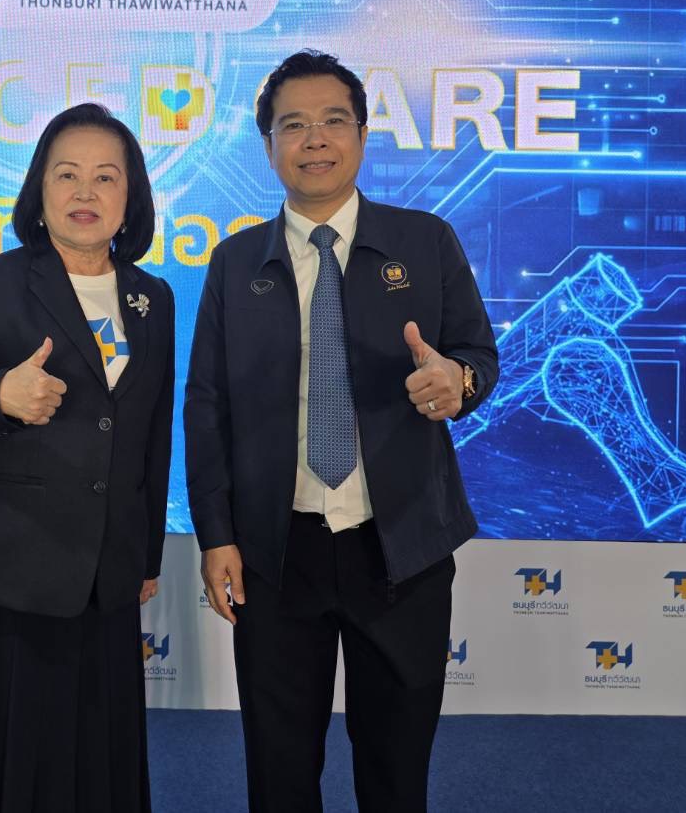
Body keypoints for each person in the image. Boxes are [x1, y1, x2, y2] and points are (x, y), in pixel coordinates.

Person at [184, 49, 499, 812]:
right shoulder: (235, 263)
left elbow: (478, 357)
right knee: (279, 765)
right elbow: (206, 405)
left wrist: (456, 382)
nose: (314, 139)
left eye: (332, 121)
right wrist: (216, 536)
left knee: (395, 765)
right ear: (268, 145)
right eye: (293, 125)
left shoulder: (424, 242)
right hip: (275, 551)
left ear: (360, 134)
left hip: (400, 547)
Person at [0, 103, 174, 813]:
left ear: (130, 197)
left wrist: (145, 555)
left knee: (87, 762)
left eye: (106, 177)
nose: (85, 191)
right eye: (67, 174)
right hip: (1, 570)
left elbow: (151, 434)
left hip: (104, 572)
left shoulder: (152, 298)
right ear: (39, 189)